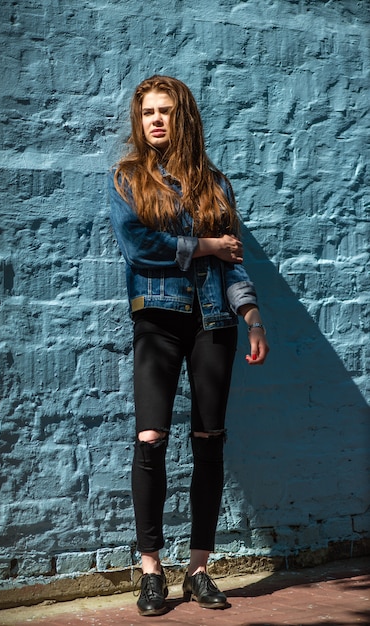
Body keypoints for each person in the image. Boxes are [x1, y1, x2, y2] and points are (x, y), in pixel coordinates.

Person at [108, 75, 269, 617]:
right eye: (148, 112)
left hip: (215, 323)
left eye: (166, 111)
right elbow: (139, 247)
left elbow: (234, 260)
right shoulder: (129, 178)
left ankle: (198, 568)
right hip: (158, 320)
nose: (156, 120)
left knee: (209, 438)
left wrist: (251, 318)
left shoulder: (214, 183)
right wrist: (204, 245)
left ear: (184, 118)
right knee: (151, 436)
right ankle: (151, 569)